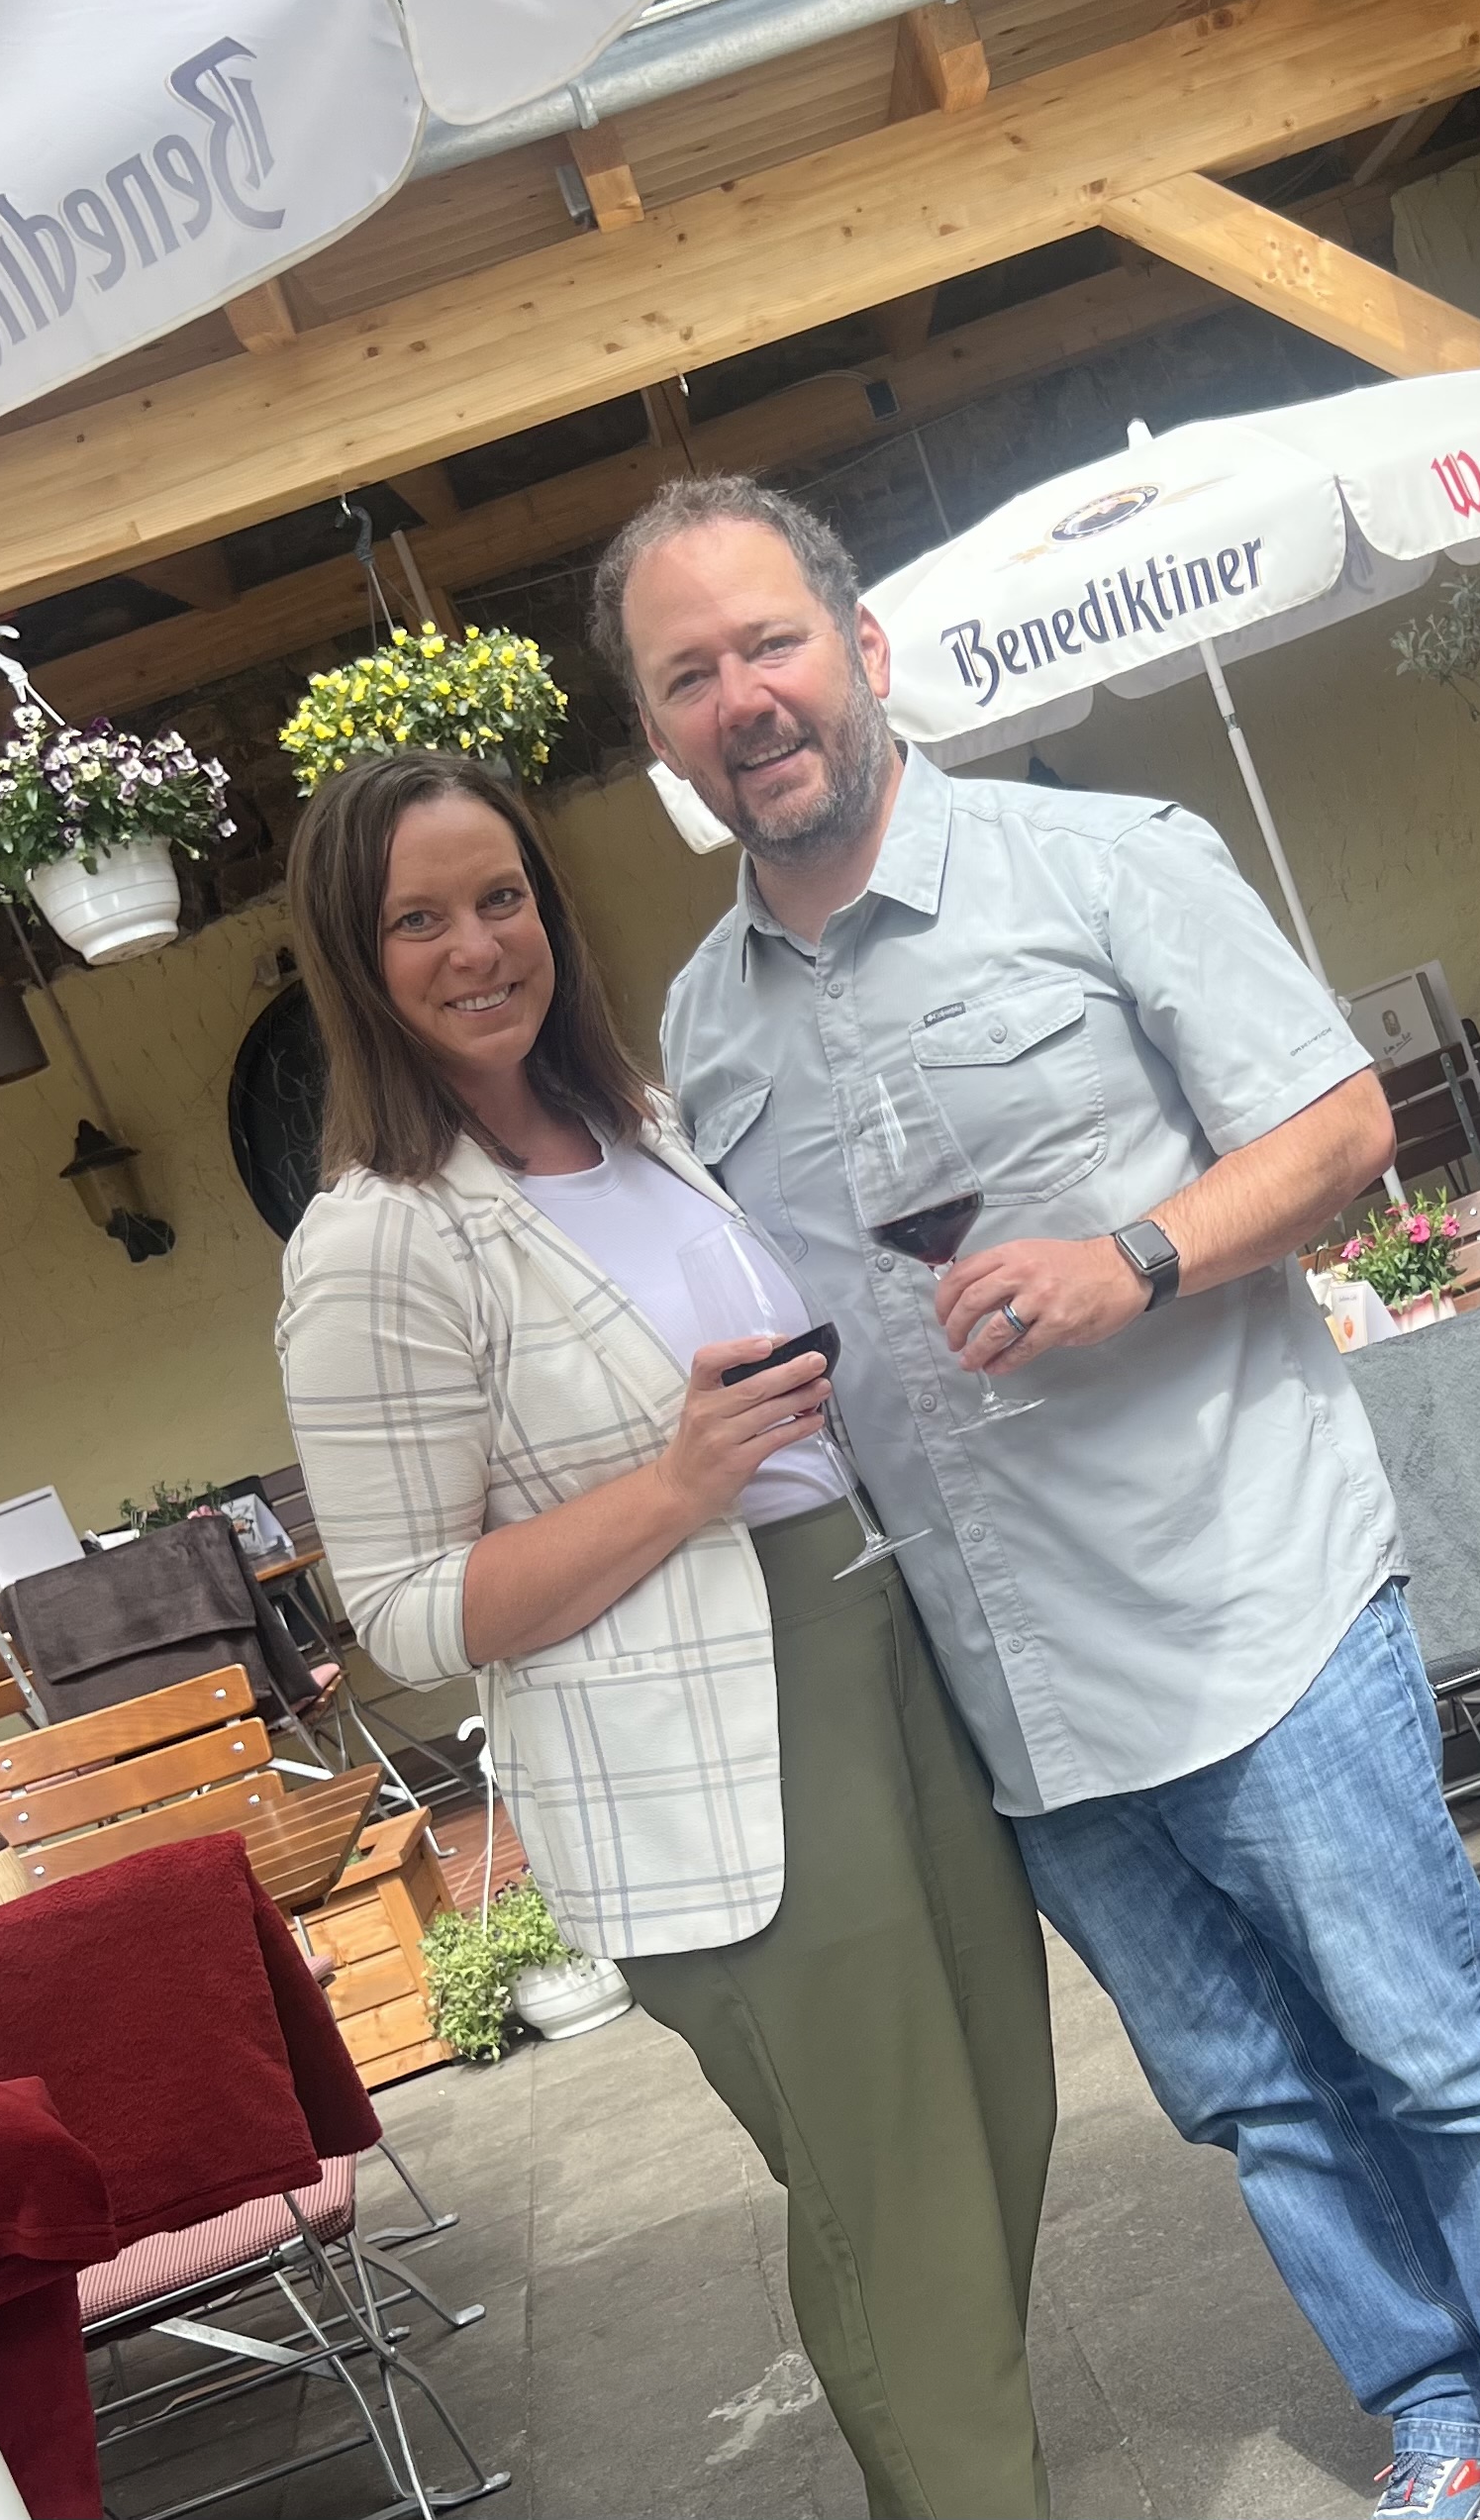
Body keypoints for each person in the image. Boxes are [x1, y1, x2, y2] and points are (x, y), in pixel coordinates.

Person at [607, 474, 1480, 2520]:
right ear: (661, 736)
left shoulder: (1098, 862)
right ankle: (1439, 2421)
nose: (742, 696)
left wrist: (1136, 1261)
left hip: (1245, 1594)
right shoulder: (700, 1025)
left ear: (860, 652)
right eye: (688, 677)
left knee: (1433, 2055)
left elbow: (1341, 1124)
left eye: (767, 644)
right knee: (1256, 2101)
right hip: (1012, 1683)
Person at [272, 749, 1052, 2520]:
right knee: (899, 2192)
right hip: (705, 1744)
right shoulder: (375, 1243)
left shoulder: (638, 1119)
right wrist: (678, 1483)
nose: (478, 946)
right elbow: (398, 1613)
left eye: (500, 897)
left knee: (1000, 2115)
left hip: (878, 1655)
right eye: (418, 919)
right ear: (353, 957)